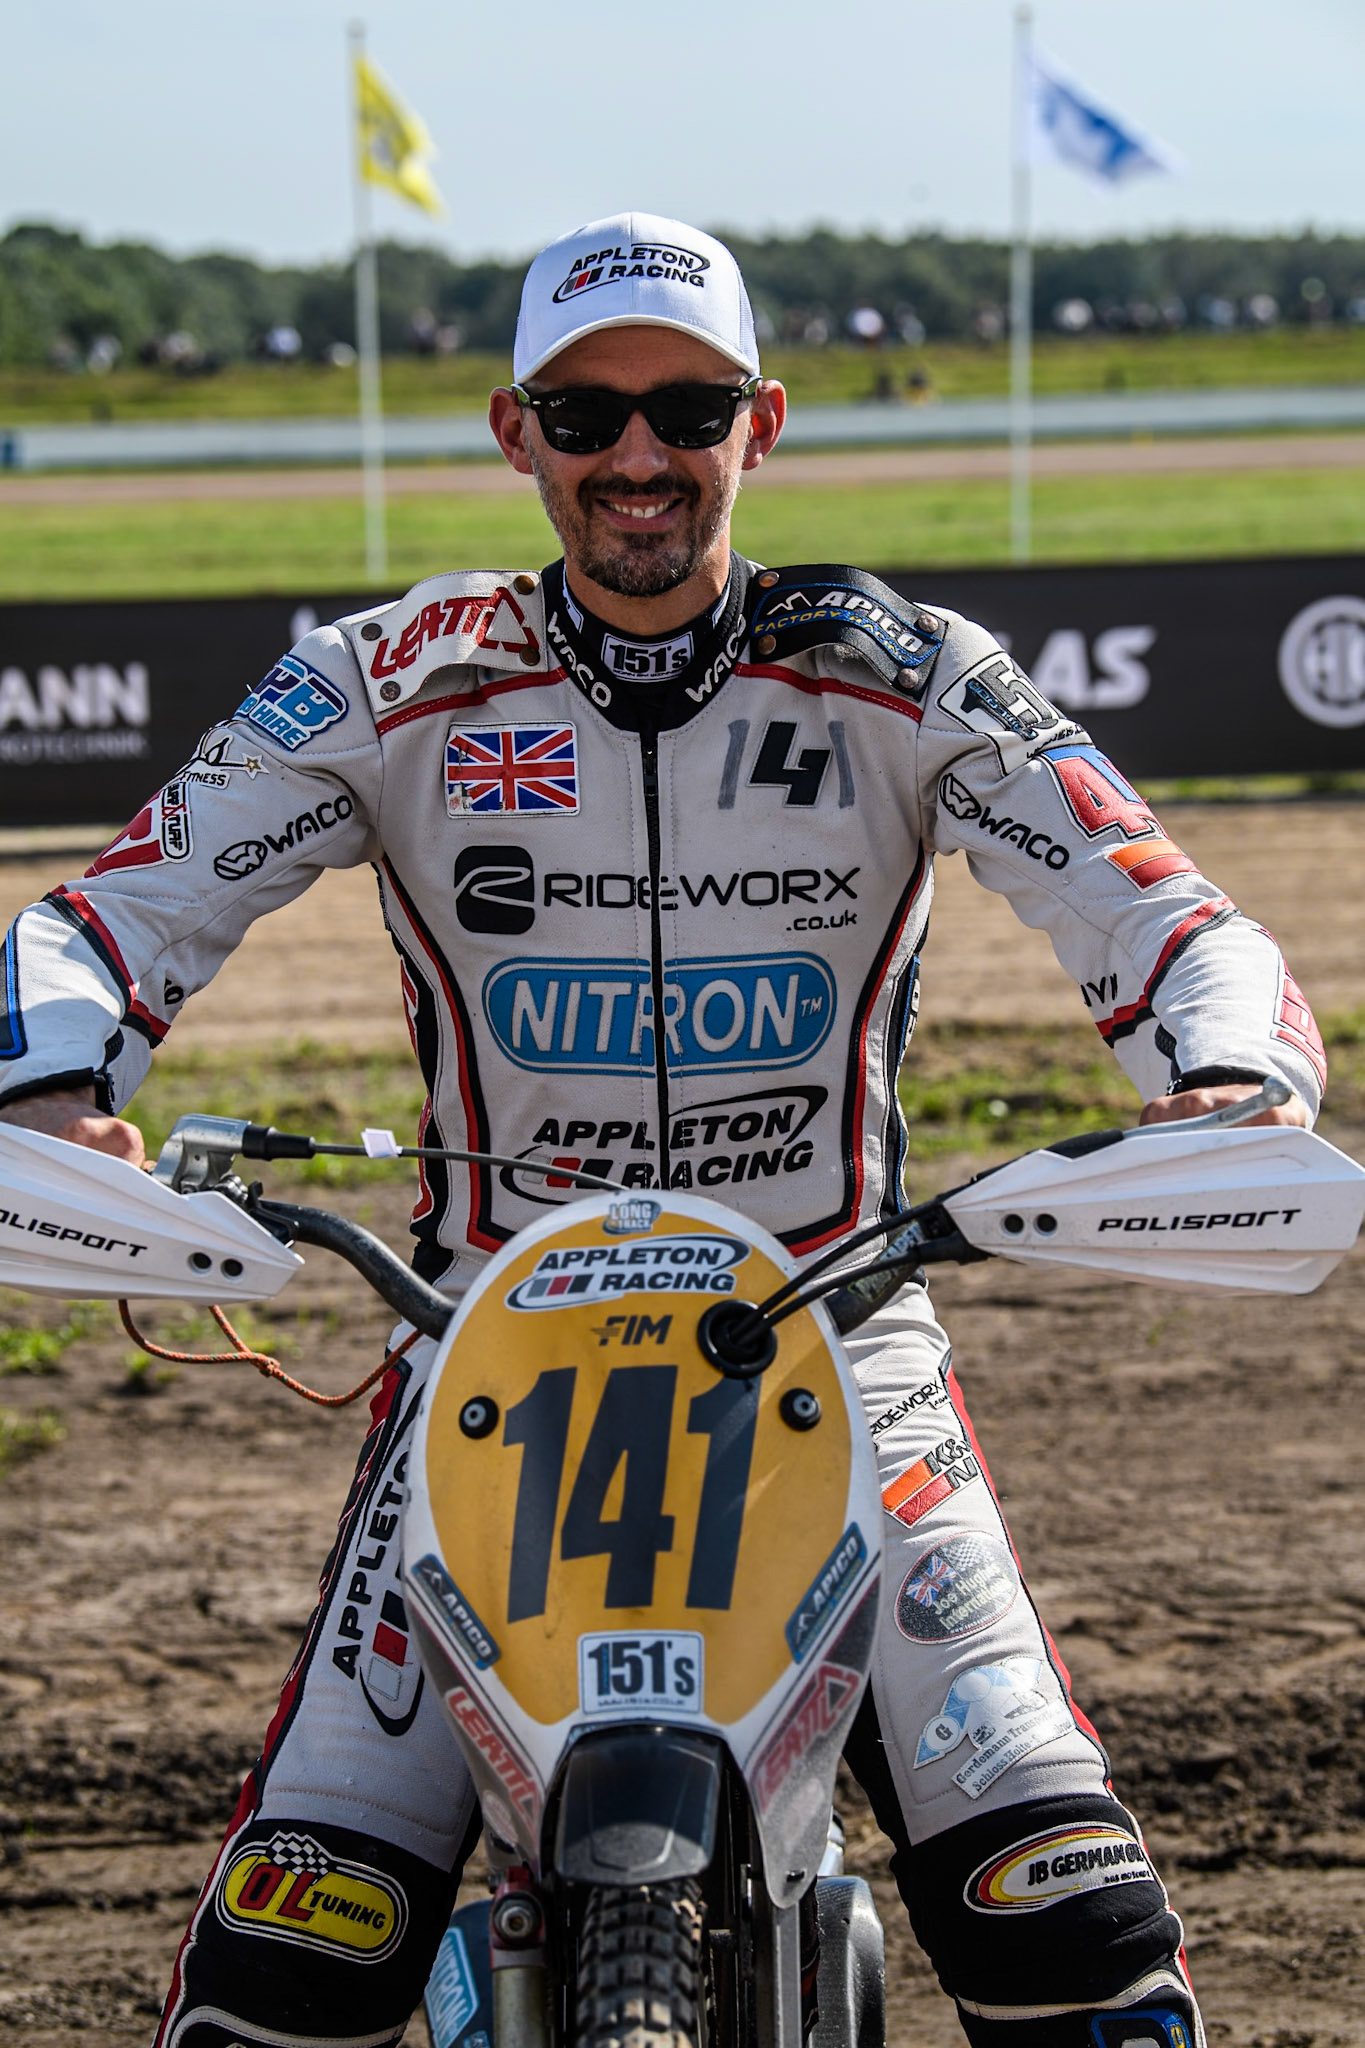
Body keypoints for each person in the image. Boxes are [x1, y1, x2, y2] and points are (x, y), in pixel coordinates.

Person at [0, 213, 1324, 2048]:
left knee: (1077, 1934)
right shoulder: (390, 678)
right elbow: (102, 917)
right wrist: (52, 1095)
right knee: (277, 1979)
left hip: (838, 1339)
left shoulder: (906, 670)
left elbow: (1178, 921)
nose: (638, 455)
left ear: (758, 424)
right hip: (485, 1360)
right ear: (514, 433)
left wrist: (1227, 1090)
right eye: (585, 413)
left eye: (688, 409)